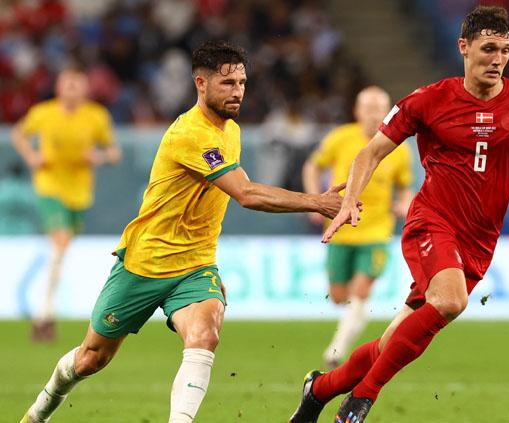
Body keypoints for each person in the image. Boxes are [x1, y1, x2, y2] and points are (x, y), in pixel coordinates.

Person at [20, 40, 349, 423]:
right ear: (201, 83)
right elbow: (244, 193)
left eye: (242, 82)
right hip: (145, 264)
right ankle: (40, 410)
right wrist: (317, 202)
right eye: (227, 84)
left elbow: (211, 205)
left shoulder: (232, 131)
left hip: (194, 267)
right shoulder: (190, 134)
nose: (238, 91)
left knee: (205, 334)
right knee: (91, 358)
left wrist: (208, 265)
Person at [289, 6, 509, 422]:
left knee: (394, 341)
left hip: (479, 242)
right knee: (451, 301)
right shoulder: (427, 100)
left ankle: (319, 390)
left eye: (505, 51)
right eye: (488, 48)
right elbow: (371, 152)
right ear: (464, 47)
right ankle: (361, 400)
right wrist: (350, 198)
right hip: (432, 221)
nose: (497, 59)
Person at [302, 86, 413, 370]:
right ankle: (356, 318)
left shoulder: (398, 149)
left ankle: (335, 351)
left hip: (376, 232)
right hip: (340, 231)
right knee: (339, 297)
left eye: (380, 108)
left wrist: (404, 204)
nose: (375, 113)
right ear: (357, 111)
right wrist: (314, 199)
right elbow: (312, 166)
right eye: (369, 107)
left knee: (361, 290)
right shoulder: (341, 138)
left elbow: (405, 188)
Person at [11, 64, 122, 342]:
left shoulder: (96, 116)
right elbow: (18, 134)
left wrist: (99, 157)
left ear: (85, 89)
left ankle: (45, 313)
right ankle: (44, 315)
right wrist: (31, 157)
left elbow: (114, 152)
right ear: (59, 87)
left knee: (62, 248)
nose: (72, 89)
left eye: (77, 84)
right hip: (50, 187)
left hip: (80, 193)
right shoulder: (43, 113)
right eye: (67, 83)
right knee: (60, 241)